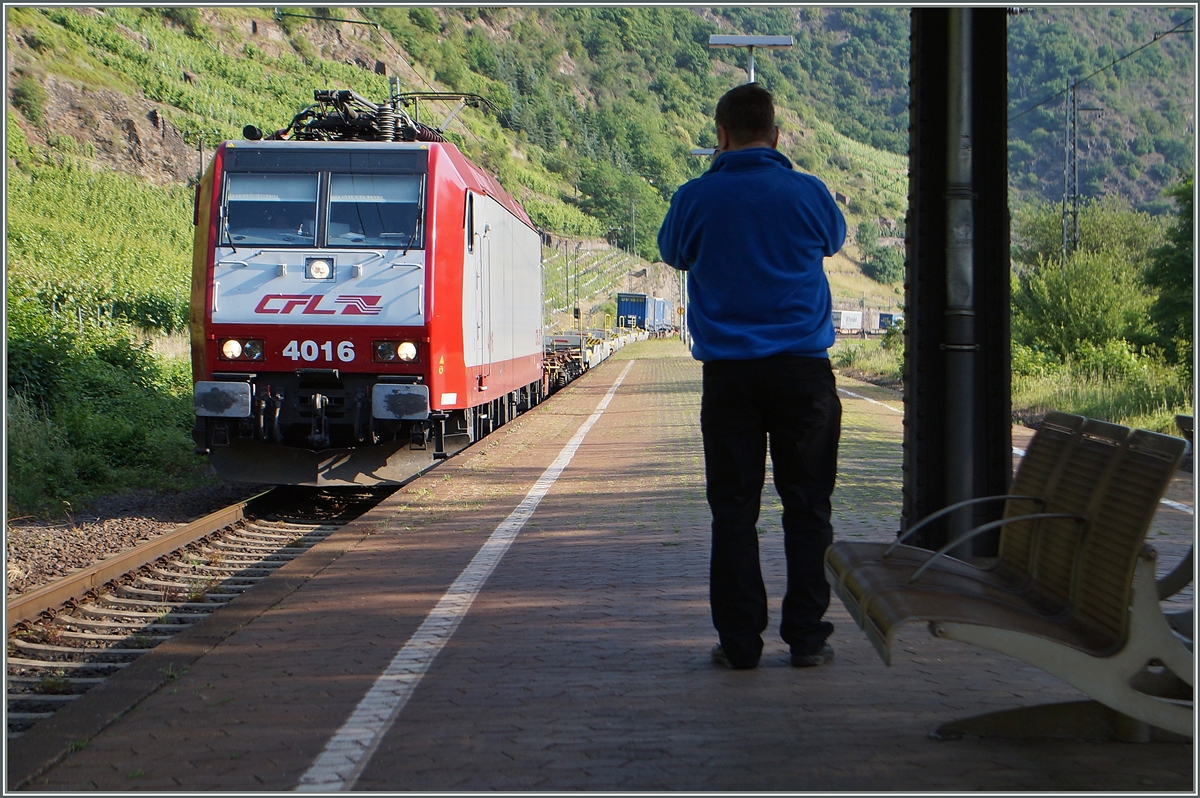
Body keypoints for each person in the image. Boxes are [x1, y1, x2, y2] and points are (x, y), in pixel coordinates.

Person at [657, 83, 846, 670]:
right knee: (809, 507)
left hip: (731, 380)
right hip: (804, 376)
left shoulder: (695, 197)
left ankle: (739, 643)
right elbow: (833, 240)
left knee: (734, 511)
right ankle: (808, 638)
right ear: (776, 135)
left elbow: (673, 253)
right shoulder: (808, 192)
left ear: (721, 135)